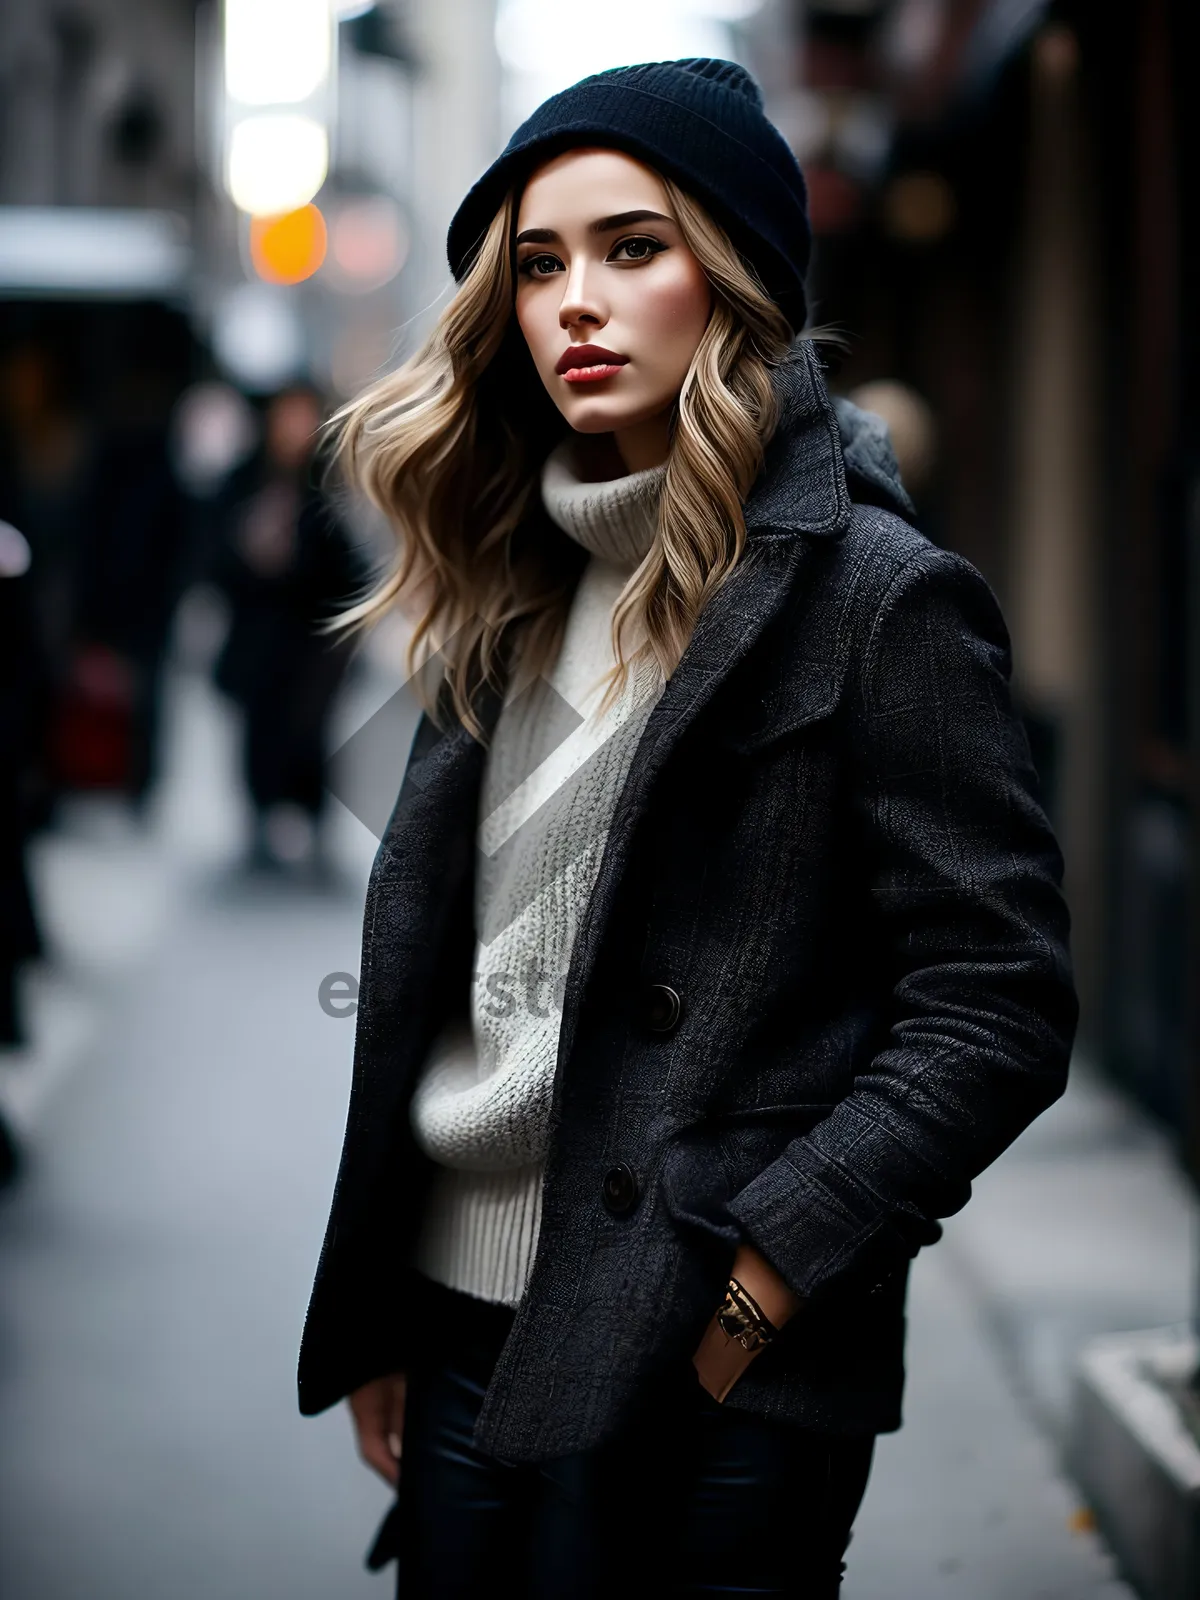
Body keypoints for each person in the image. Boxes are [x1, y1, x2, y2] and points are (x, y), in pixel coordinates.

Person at [297, 59, 1078, 1597]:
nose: (575, 299)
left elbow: (1000, 998)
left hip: (716, 1365)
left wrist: (762, 1285)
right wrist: (394, 1301)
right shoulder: (500, 589)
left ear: (732, 284)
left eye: (631, 248)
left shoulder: (877, 599)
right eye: (538, 262)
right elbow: (450, 1004)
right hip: (464, 1336)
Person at [210, 383, 365, 876]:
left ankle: (311, 824)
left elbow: (351, 568)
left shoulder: (330, 488)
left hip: (311, 641)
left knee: (308, 734)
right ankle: (258, 820)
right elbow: (210, 559)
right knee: (257, 731)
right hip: (258, 635)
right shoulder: (243, 481)